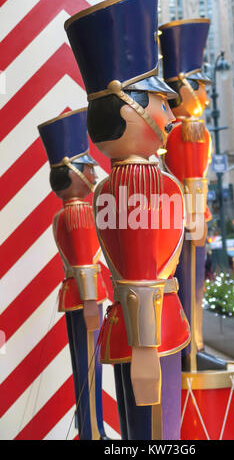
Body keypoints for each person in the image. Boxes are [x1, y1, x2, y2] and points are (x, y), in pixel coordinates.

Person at [65, 0, 190, 440]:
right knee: (158, 433)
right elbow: (139, 274)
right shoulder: (147, 183)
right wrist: (143, 349)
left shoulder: (109, 186)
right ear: (128, 108)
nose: (170, 113)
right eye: (160, 104)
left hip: (136, 324)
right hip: (155, 328)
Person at [159, 19, 227, 372]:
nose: (204, 95)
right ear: (182, 90)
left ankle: (193, 347)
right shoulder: (187, 130)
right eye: (198, 87)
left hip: (188, 216)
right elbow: (190, 181)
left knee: (193, 285)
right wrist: (197, 217)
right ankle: (190, 350)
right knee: (190, 284)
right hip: (189, 217)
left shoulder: (182, 130)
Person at [38, 108, 108, 440]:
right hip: (85, 297)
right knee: (89, 366)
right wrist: (92, 299)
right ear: (73, 173)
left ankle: (89, 426)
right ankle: (93, 429)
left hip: (75, 295)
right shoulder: (80, 212)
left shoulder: (64, 213)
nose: (94, 173)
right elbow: (82, 262)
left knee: (85, 363)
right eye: (87, 167)